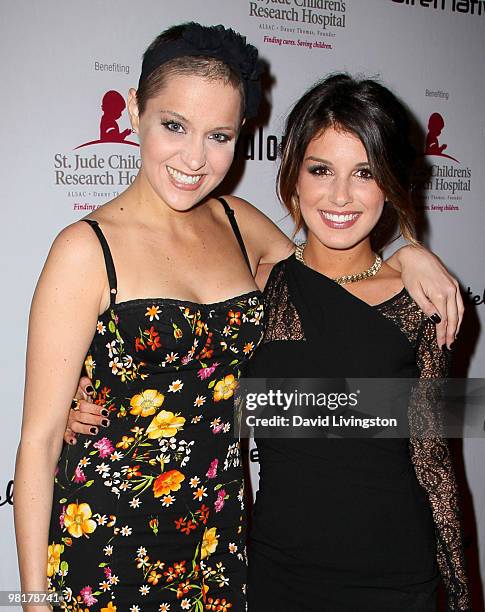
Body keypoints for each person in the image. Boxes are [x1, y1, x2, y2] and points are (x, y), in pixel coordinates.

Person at [20, 22, 463, 612]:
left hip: (222, 547)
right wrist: (33, 600)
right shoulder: (84, 248)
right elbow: (39, 442)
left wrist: (408, 252)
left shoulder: (236, 222)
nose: (194, 158)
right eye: (174, 126)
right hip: (108, 544)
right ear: (133, 110)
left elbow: (330, 275)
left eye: (220, 135)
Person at [245, 74, 470, 611]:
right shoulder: (256, 286)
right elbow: (186, 391)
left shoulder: (418, 301)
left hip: (393, 578)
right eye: (321, 170)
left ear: (390, 183)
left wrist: (460, 594)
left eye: (364, 173)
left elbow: (433, 459)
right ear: (293, 176)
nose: (340, 196)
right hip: (280, 575)